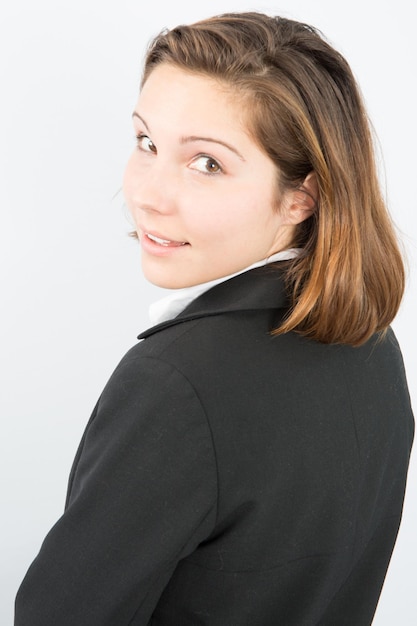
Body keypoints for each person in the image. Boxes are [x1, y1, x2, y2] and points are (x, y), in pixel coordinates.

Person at [15, 11, 414, 626]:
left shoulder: (176, 383)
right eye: (147, 142)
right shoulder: (374, 345)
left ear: (300, 196)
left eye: (207, 163)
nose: (148, 192)